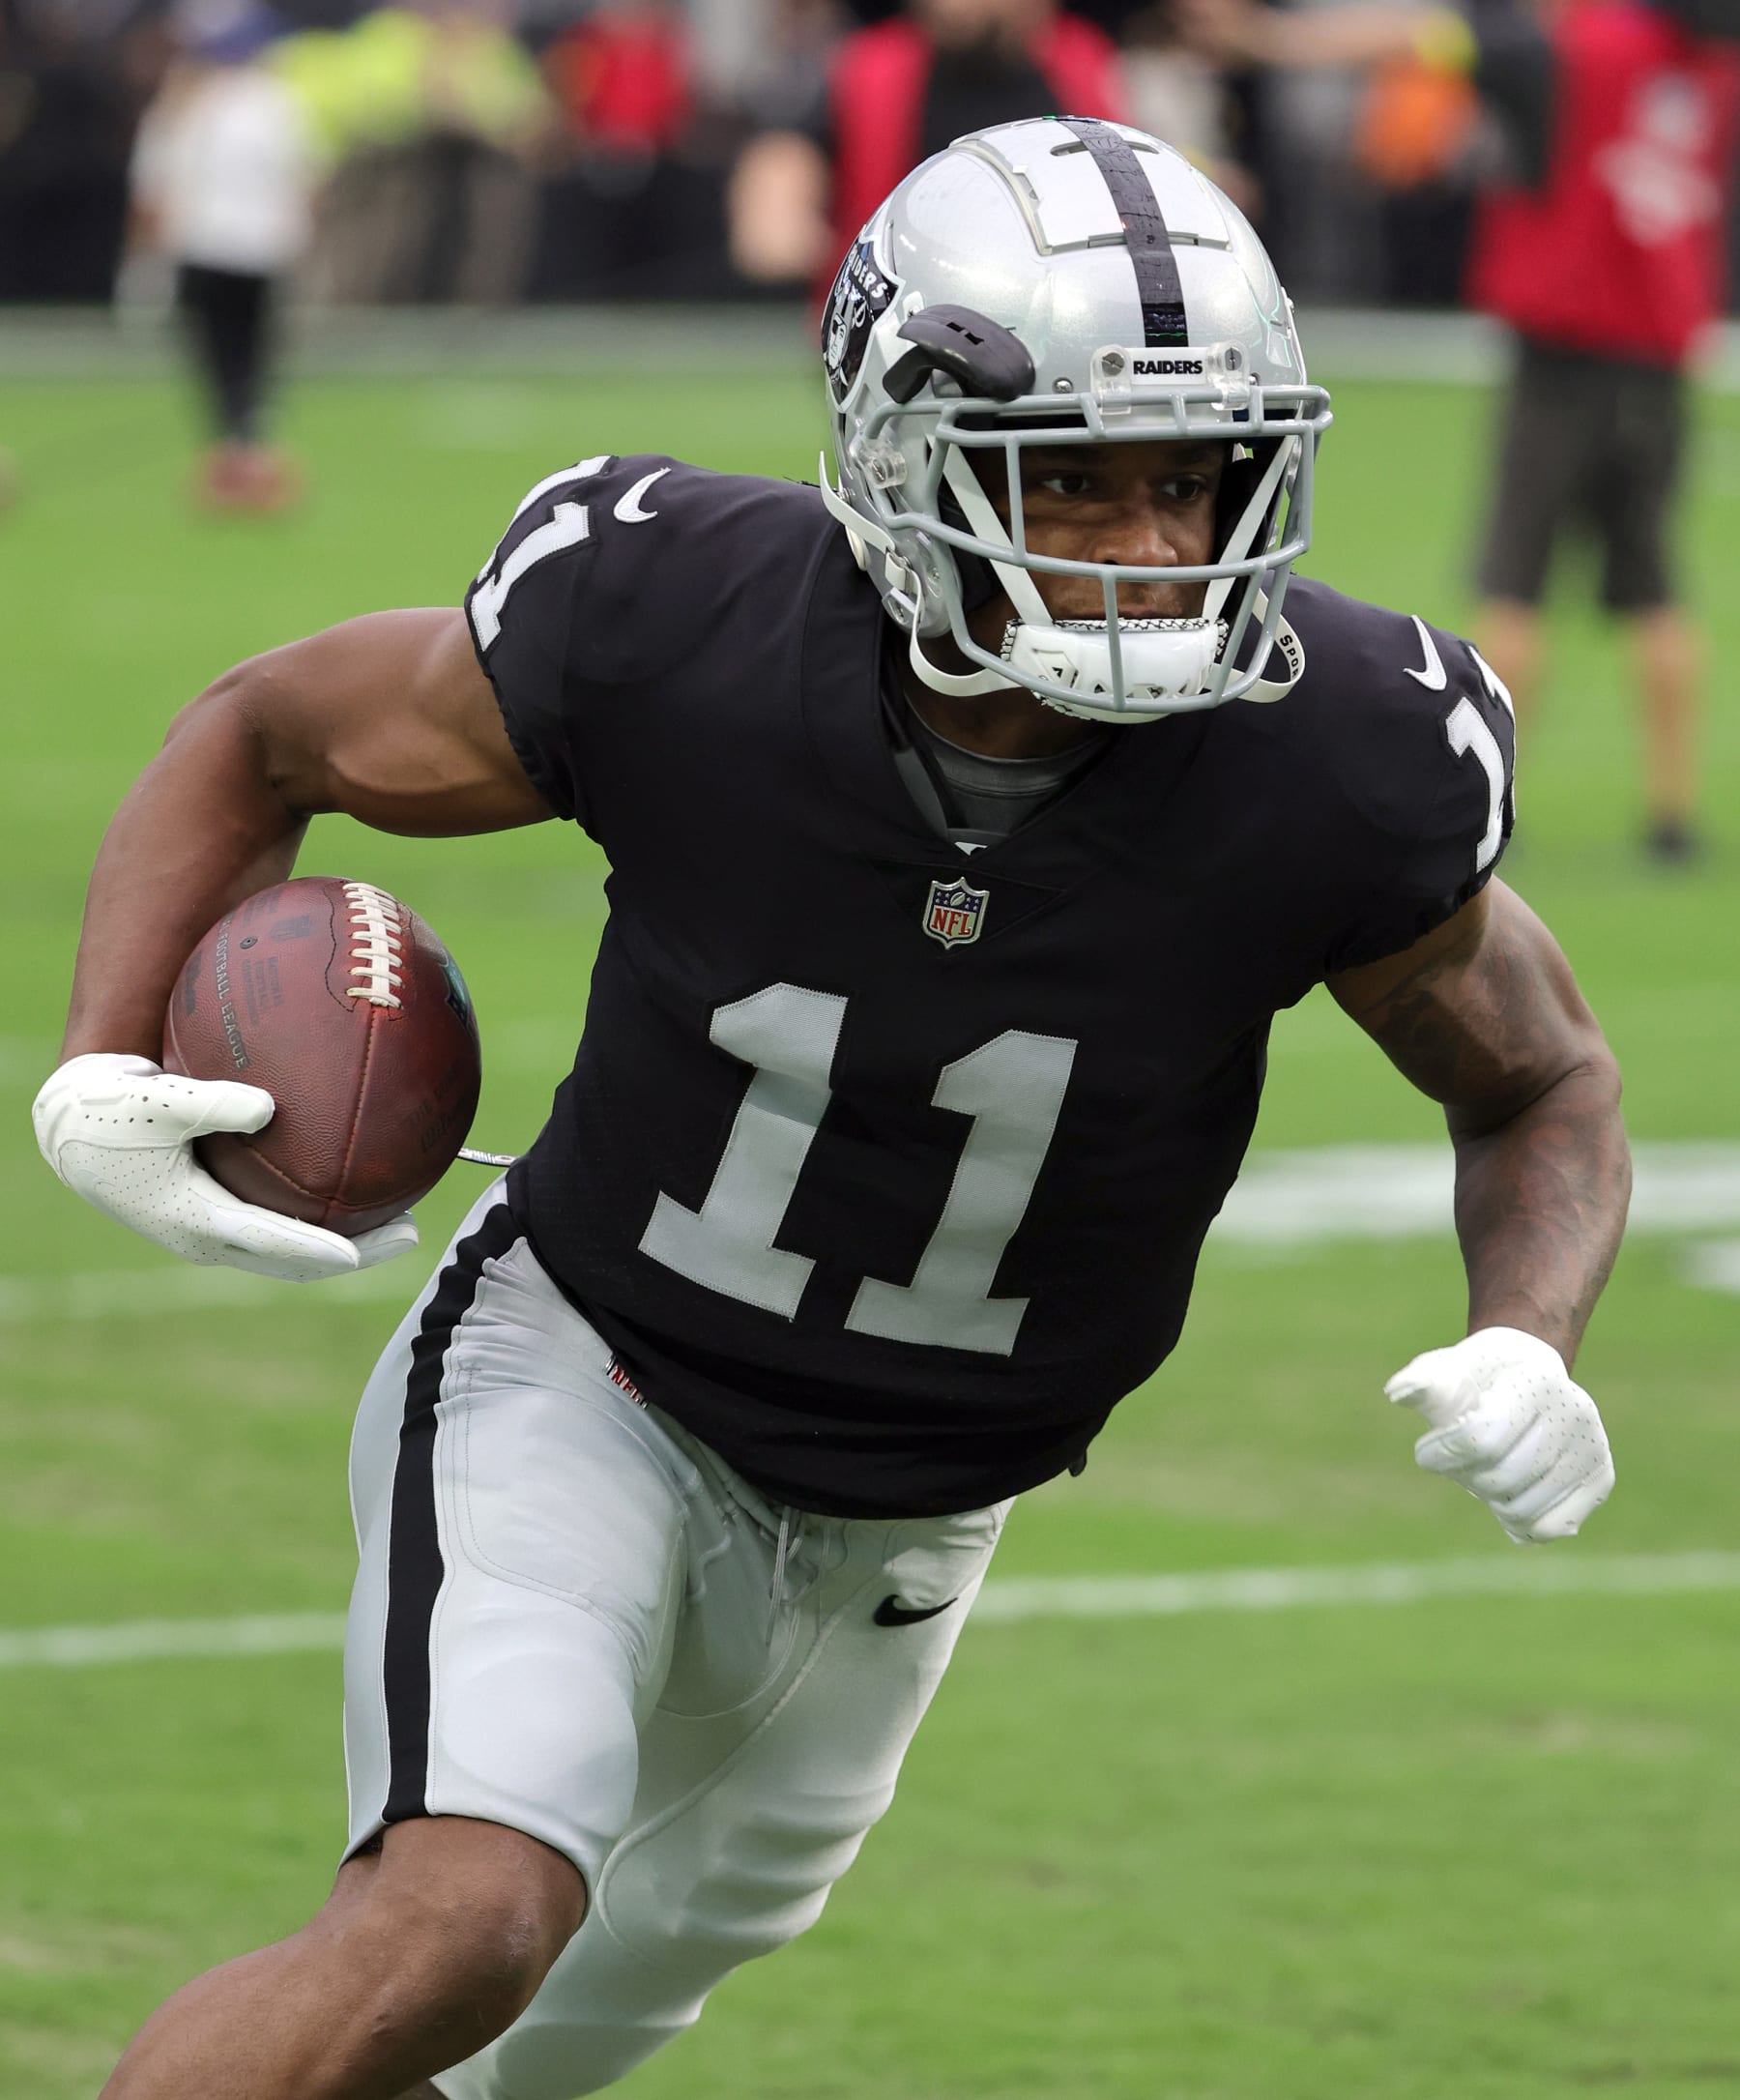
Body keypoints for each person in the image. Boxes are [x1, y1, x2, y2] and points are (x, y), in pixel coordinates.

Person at [33, 117, 1629, 2100]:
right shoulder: (678, 622)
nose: (1155, 553)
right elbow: (269, 724)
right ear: (903, 455)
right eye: (1077, 486)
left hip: (915, 1535)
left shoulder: (1339, 761)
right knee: (461, 1920)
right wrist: (106, 1051)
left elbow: (1540, 1074)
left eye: (1198, 483)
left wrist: (1527, 1334)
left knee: (505, 2051)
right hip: (586, 1383)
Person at [1179, 0, 1740, 860]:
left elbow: (1410, 40)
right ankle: (1673, 819)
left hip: (1560, 355)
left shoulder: (1569, 47)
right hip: (1660, 358)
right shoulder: (1712, 64)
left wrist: (1262, 39)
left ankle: (1490, 794)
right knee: (1657, 593)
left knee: (1514, 583)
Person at [728, 0, 1126, 291]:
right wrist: (777, 205)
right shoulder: (876, 67)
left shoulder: (1081, 67)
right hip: (894, 316)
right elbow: (791, 151)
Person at [129, 1, 316, 511]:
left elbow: (152, 189)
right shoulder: (272, 100)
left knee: (216, 357)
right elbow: (303, 178)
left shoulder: (184, 100)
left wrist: (147, 256)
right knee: (249, 359)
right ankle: (246, 448)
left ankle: (234, 451)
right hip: (257, 249)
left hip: (206, 248)